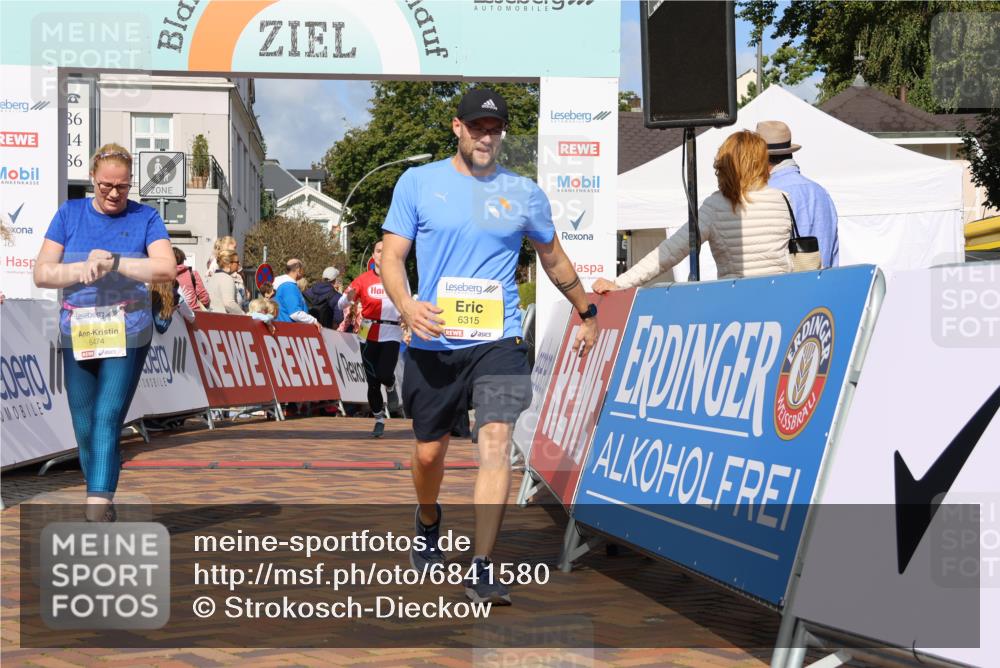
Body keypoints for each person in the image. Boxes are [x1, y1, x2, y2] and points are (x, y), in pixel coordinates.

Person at [381, 88, 598, 605]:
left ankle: (481, 566)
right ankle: (428, 517)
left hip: (497, 340)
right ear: (457, 127)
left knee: (496, 441)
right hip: (435, 340)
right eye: (477, 126)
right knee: (429, 451)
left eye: (495, 128)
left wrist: (585, 311)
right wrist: (409, 307)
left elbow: (553, 256)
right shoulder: (418, 182)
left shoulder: (523, 192)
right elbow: (392, 259)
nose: (486, 136)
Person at [32, 143, 176, 522]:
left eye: (123, 187)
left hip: (128, 328)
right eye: (106, 186)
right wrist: (80, 269)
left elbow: (165, 269)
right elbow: (43, 273)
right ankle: (101, 486)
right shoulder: (69, 214)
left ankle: (96, 506)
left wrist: (116, 263)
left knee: (108, 415)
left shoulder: (146, 218)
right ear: (93, 179)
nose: (114, 193)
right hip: (78, 328)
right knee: (83, 423)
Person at [593, 130, 794, 294]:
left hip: (737, 301)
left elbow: (669, 252)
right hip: (782, 298)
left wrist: (620, 283)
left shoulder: (716, 205)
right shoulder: (783, 198)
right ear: (760, 163)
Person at [338, 241, 403, 438]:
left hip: (391, 331)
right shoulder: (362, 279)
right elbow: (342, 303)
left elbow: (408, 300)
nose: (382, 255)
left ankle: (390, 384)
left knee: (384, 373)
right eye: (378, 251)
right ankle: (379, 418)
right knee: (372, 381)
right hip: (368, 331)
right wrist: (349, 297)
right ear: (373, 255)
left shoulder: (399, 277)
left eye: (386, 251)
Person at [757, 120, 839, 268]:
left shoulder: (767, 194)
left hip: (786, 287)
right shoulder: (821, 192)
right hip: (824, 286)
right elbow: (832, 252)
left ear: (760, 158)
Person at [273, 259, 322, 331]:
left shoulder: (287, 286)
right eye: (303, 269)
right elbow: (295, 313)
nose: (303, 272)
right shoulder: (289, 286)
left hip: (287, 330)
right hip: (289, 331)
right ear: (298, 270)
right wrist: (314, 321)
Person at [206, 249, 246, 314]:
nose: (239, 264)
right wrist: (244, 315)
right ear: (229, 264)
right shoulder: (226, 278)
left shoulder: (212, 277)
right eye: (237, 262)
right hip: (224, 321)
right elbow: (229, 303)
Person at [173, 246, 210, 311]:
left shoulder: (162, 276)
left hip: (173, 315)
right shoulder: (192, 273)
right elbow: (204, 298)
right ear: (182, 260)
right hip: (194, 314)